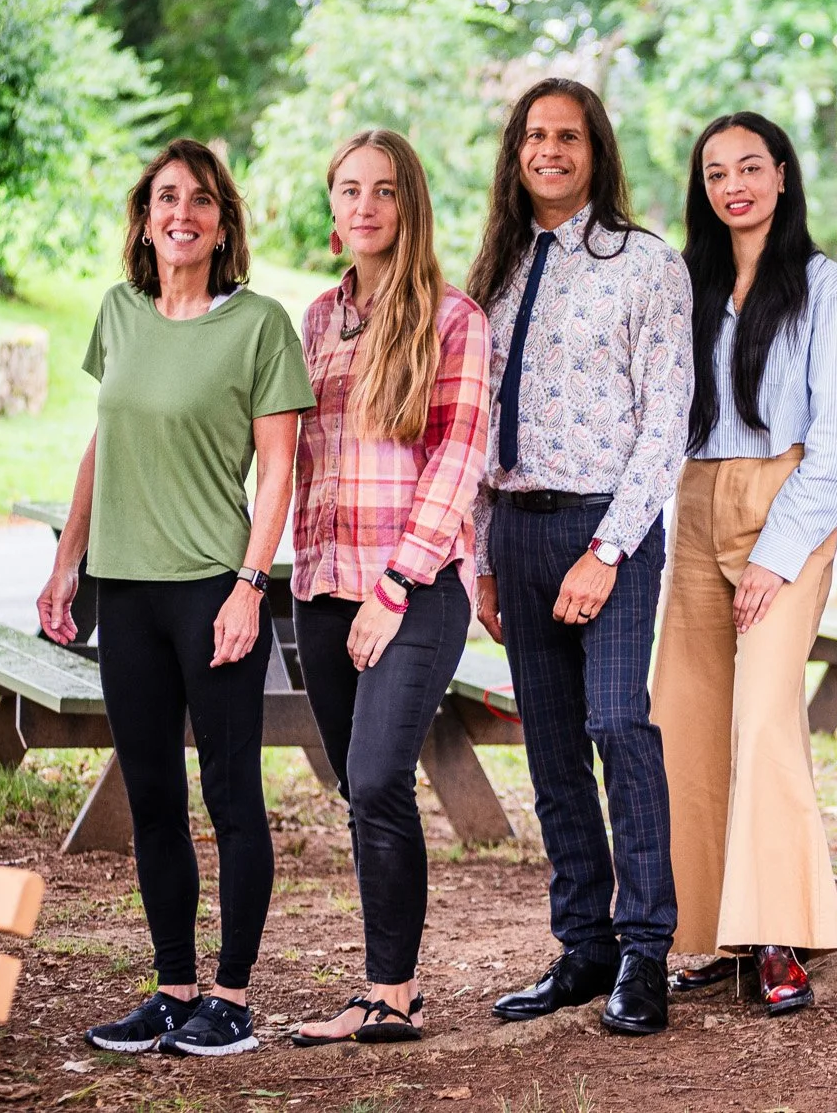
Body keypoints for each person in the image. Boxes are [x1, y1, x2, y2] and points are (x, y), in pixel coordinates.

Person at [39, 140, 315, 1058]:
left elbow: (277, 468)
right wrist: (67, 561)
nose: (182, 212)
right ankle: (173, 986)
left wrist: (250, 585)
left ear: (223, 221)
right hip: (126, 590)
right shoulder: (119, 313)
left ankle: (231, 996)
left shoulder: (261, 325)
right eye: (166, 197)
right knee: (152, 795)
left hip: (211, 590)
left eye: (200, 199)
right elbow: (101, 442)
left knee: (231, 795)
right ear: (146, 216)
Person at [471, 78, 693, 1037]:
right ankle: (583, 946)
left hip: (611, 528)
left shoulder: (646, 265)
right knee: (553, 746)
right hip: (516, 530)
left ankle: (646, 949)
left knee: (615, 725)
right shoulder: (497, 270)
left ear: (596, 151)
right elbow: (476, 422)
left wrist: (606, 550)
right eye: (534, 136)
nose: (549, 150)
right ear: (515, 153)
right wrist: (481, 557)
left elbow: (666, 419)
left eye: (568, 136)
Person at [652, 112, 837, 1016]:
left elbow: (834, 438)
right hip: (695, 506)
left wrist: (778, 556)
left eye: (750, 166)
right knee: (683, 717)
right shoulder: (686, 282)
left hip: (787, 506)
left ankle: (777, 933)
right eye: (715, 172)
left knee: (766, 718)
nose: (733, 184)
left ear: (782, 173)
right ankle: (703, 930)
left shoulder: (823, 286)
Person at [287, 130, 491, 1047]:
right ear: (332, 209)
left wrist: (396, 585)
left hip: (412, 588)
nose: (363, 206)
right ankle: (386, 982)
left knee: (375, 777)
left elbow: (457, 460)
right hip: (320, 588)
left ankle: (393, 993)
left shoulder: (454, 321)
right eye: (347, 190)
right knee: (362, 788)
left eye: (382, 190)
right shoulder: (316, 321)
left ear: (409, 204)